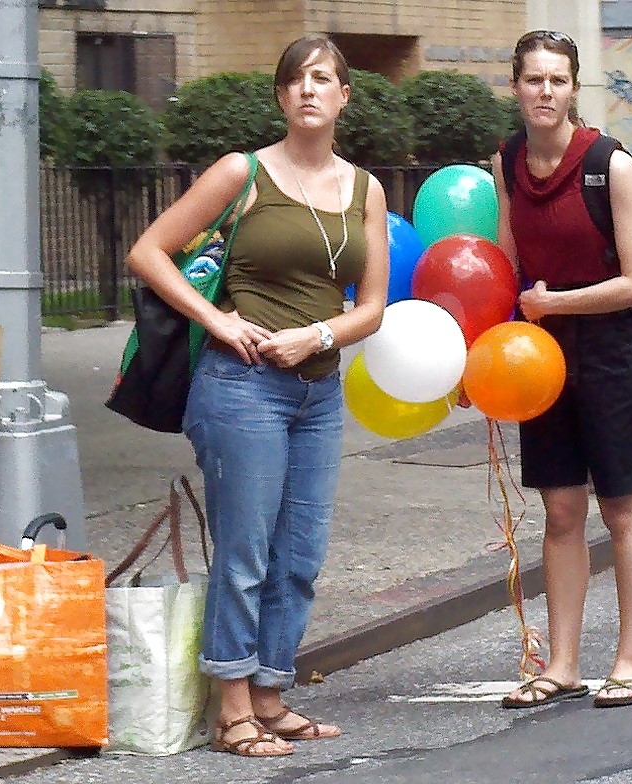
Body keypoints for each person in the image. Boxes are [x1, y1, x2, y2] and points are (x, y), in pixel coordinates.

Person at [127, 36, 389, 756]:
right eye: (297, 79)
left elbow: (372, 308)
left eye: (324, 79)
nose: (310, 89)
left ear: (344, 97)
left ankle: (271, 693)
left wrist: (319, 338)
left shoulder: (365, 189)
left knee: (299, 553)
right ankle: (231, 704)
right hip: (241, 388)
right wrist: (215, 317)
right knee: (245, 552)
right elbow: (149, 251)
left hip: (317, 389)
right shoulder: (242, 173)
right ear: (281, 97)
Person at [492, 30, 632, 709]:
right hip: (542, 355)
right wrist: (487, 358)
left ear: (574, 88)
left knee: (622, 506)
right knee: (561, 510)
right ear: (516, 88)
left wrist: (556, 301)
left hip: (613, 350)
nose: (544, 92)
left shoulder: (608, 164)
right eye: (533, 80)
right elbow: (507, 267)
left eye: (557, 80)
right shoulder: (507, 162)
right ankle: (561, 664)